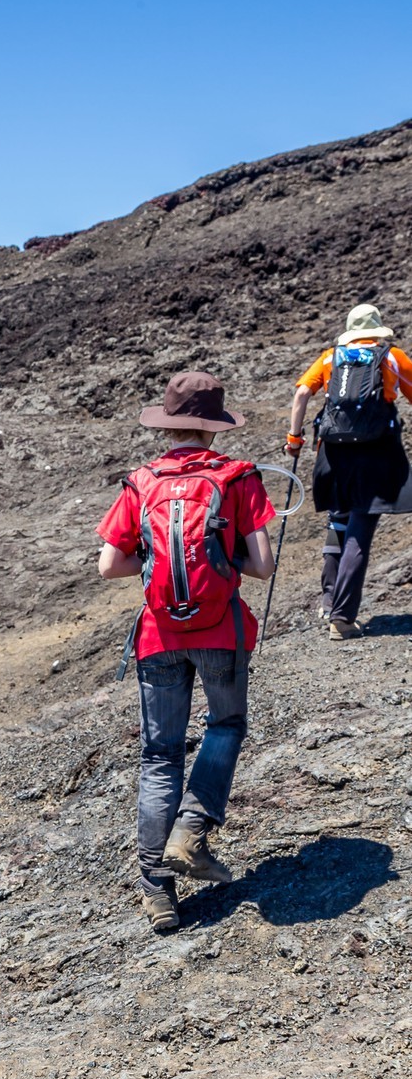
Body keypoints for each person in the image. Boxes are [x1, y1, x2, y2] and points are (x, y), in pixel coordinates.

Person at [97, 371, 276, 932]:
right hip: (221, 629)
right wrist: (222, 565)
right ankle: (192, 830)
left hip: (158, 636)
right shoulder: (237, 477)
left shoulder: (141, 482)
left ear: (169, 424)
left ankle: (158, 895)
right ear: (213, 426)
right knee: (226, 723)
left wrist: (154, 567)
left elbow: (110, 565)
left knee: (159, 756)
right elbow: (263, 564)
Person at [286, 304, 412, 640]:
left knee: (338, 519)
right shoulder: (392, 356)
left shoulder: (330, 358)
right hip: (375, 451)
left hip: (334, 451)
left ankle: (329, 601)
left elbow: (301, 393)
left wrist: (294, 438)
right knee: (361, 526)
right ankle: (342, 618)